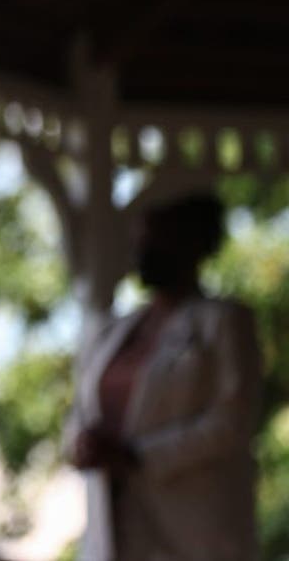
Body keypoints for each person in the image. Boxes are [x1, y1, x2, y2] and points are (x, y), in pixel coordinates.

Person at [64, 193, 262, 561]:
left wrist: (136, 457)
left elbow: (231, 423)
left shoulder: (223, 322)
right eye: (139, 240)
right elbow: (79, 411)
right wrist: (82, 444)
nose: (143, 249)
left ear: (195, 245)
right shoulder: (113, 332)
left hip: (193, 530)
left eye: (156, 239)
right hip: (115, 530)